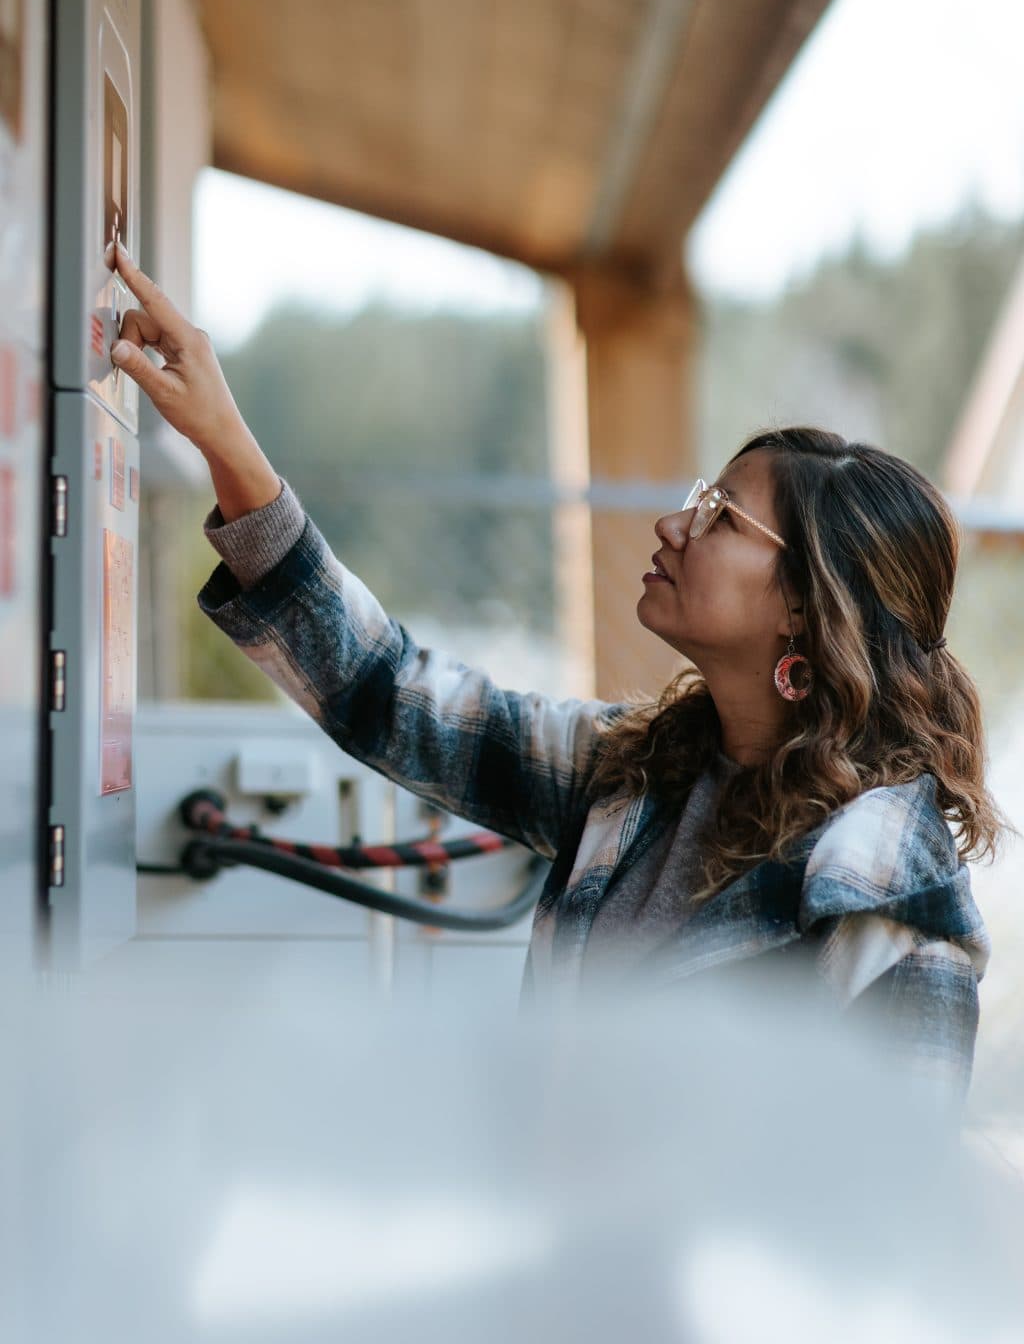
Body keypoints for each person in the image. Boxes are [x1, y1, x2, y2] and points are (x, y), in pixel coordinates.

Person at [106, 243, 1010, 1118]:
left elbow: (884, 1219)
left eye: (721, 517)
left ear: (811, 606)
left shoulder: (892, 896)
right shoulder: (636, 773)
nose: (671, 525)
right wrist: (224, 438)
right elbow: (386, 691)